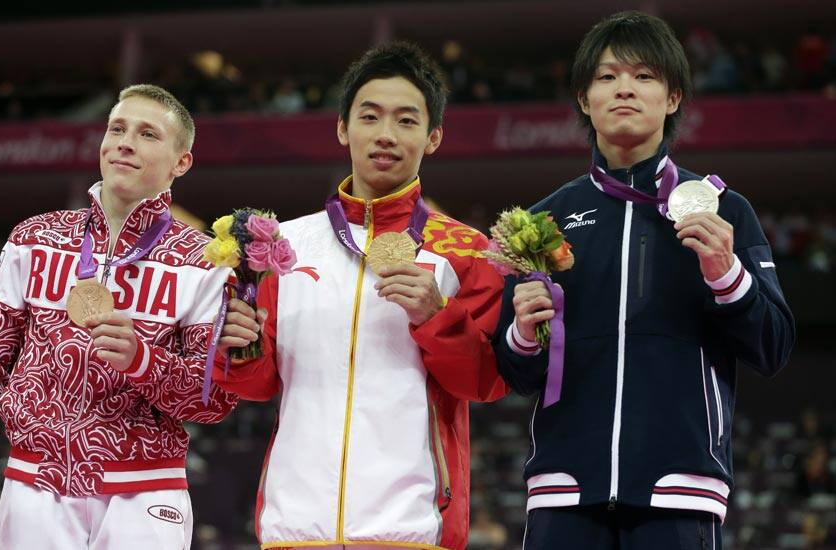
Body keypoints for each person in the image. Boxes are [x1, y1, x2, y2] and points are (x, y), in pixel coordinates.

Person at [492, 11, 796, 549]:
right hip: (565, 489)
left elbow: (773, 346)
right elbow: (517, 373)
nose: (624, 89)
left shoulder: (725, 212)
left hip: (679, 488)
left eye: (644, 76)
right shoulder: (542, 223)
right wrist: (521, 331)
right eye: (606, 77)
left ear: (673, 97)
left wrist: (727, 277)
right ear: (584, 100)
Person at [213, 41, 506, 549]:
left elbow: (486, 382)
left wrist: (436, 314)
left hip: (412, 528)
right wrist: (236, 346)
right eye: (370, 117)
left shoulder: (466, 250)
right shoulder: (283, 246)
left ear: (433, 137)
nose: (386, 135)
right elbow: (258, 385)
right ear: (343, 127)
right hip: (295, 527)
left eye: (407, 121)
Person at [0, 84, 238, 550]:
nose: (124, 142)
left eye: (147, 134)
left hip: (144, 491)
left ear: (180, 162)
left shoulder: (204, 262)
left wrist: (143, 361)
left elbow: (214, 401)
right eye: (116, 128)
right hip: (33, 483)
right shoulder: (34, 237)